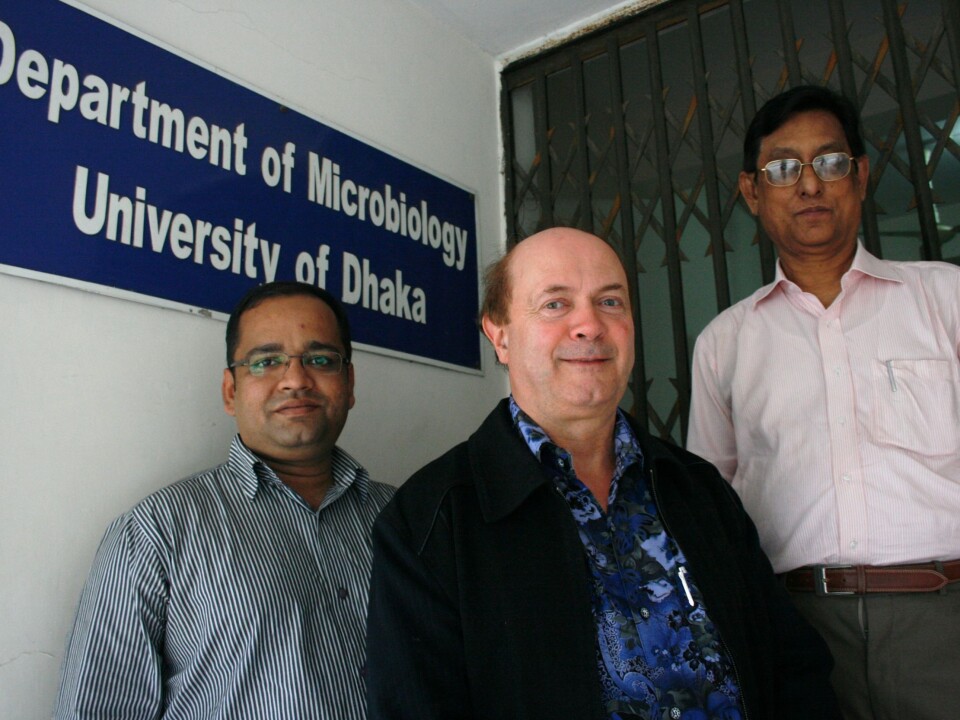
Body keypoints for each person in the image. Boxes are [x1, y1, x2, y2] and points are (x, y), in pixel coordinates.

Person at [366, 227, 838, 720]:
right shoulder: (430, 519)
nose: (589, 325)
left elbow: (791, 664)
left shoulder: (698, 488)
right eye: (555, 304)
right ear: (499, 335)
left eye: (610, 302)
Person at [687, 85, 960, 720]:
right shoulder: (724, 344)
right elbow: (713, 507)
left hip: (945, 616)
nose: (809, 184)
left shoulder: (945, 302)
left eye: (830, 162)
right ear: (753, 193)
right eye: (783, 168)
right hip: (797, 629)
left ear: (860, 177)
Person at [54, 281, 394, 720]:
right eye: (266, 361)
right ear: (231, 391)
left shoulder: (406, 517)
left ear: (347, 384)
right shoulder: (156, 533)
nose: (295, 379)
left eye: (320, 359)